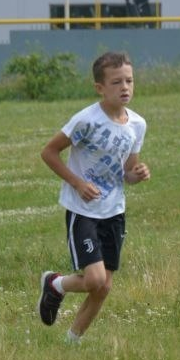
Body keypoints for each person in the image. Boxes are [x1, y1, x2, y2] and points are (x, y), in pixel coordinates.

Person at [37, 51, 150, 343]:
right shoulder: (86, 120)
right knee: (95, 279)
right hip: (83, 210)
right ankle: (55, 284)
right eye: (116, 82)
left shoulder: (137, 125)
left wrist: (135, 175)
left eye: (129, 80)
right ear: (100, 87)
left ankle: (71, 342)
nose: (125, 87)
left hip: (114, 212)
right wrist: (77, 183)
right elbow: (49, 152)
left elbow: (127, 171)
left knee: (103, 287)